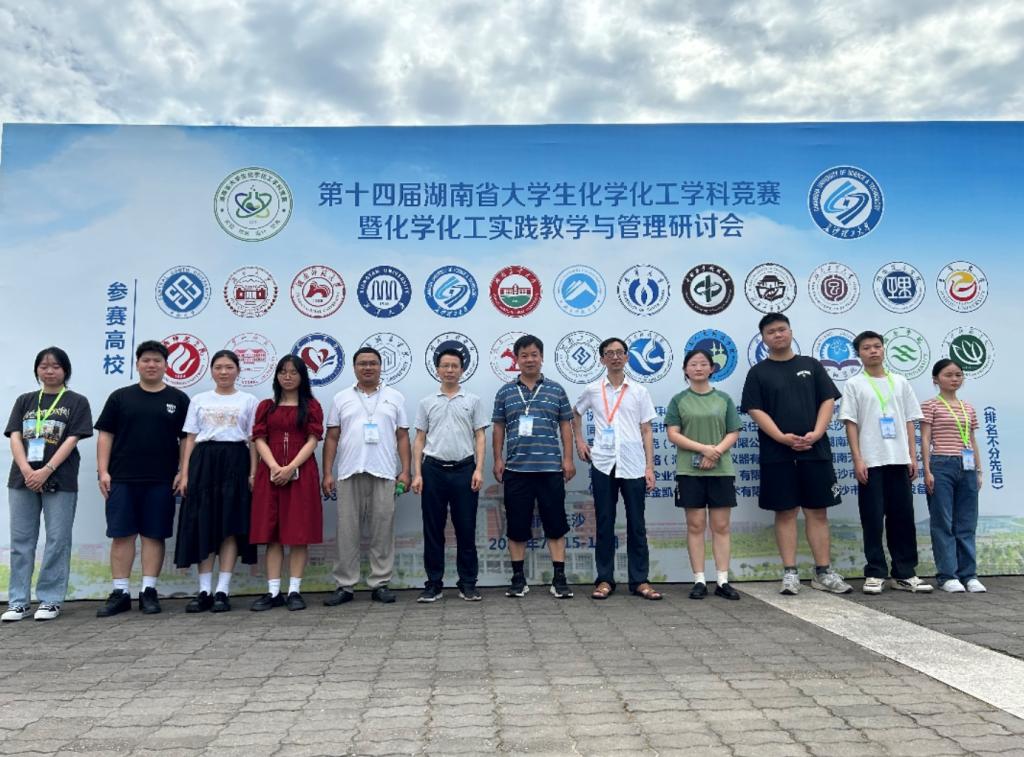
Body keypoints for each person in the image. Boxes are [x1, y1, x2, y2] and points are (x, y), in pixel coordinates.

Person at [740, 313, 852, 595]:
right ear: (763, 339)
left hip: (815, 450)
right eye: (771, 332)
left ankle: (823, 572)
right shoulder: (758, 373)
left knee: (818, 511)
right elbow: (755, 409)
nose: (777, 335)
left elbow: (827, 400)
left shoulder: (811, 365)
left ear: (790, 332)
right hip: (777, 453)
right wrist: (780, 437)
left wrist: (817, 432)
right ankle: (790, 573)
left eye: (782, 329)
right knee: (785, 511)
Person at [94, 340, 189, 616]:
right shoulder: (120, 397)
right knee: (122, 535)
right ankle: (120, 592)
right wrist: (103, 471)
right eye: (146, 360)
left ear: (166, 365)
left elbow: (186, 439)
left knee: (153, 535)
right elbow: (106, 435)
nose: (151, 365)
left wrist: (183, 471)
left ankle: (149, 591)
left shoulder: (178, 399)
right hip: (122, 478)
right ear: (137, 364)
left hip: (162, 480)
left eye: (157, 360)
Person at [2, 348, 93, 622]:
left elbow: (72, 439)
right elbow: (15, 436)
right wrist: (27, 470)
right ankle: (18, 602)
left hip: (60, 478)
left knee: (57, 540)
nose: (49, 371)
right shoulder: (25, 400)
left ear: (65, 370)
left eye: (55, 366)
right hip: (22, 478)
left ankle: (50, 599)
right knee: (21, 542)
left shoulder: (76, 401)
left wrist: (46, 470)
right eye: (44, 366)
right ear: (37, 370)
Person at [840, 331, 931, 594]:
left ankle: (904, 573)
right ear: (859, 354)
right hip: (871, 461)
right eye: (866, 347)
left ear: (883, 349)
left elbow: (910, 420)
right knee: (872, 519)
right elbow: (850, 423)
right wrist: (858, 459)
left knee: (902, 518)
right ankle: (875, 572)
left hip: (899, 460)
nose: (873, 351)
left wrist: (912, 456)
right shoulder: (854, 384)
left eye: (877, 346)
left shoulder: (900, 382)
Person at [572, 337, 660, 601]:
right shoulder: (592, 390)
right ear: (602, 359)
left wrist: (649, 466)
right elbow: (575, 413)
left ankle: (640, 580)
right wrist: (579, 441)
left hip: (633, 465)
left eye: (620, 352)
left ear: (627, 357)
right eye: (609, 353)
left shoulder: (639, 391)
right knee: (604, 522)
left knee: (637, 524)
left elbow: (647, 430)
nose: (615, 357)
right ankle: (604, 579)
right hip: (603, 462)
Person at [322, 347, 411, 605]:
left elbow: (402, 436)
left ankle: (380, 583)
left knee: (382, 531)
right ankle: (345, 585)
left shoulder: (395, 397)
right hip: (349, 472)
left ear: (381, 366)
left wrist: (406, 471)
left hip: (384, 471)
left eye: (373, 363)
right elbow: (332, 437)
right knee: (346, 532)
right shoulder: (341, 398)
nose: (368, 367)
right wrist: (327, 472)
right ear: (354, 368)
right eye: (362, 363)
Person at [174, 350, 259, 613]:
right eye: (219, 367)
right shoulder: (199, 399)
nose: (224, 372)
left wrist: (253, 473)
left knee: (229, 525)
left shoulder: (249, 400)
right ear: (211, 371)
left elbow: (253, 440)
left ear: (238, 371)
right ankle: (204, 591)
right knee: (204, 524)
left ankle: (223, 590)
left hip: (236, 460)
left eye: (229, 367)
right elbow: (190, 438)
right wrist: (184, 473)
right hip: (203, 462)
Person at [492, 334, 576, 599]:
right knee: (517, 527)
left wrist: (568, 459)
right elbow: (498, 427)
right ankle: (518, 579)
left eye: (534, 355)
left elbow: (566, 426)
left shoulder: (556, 390)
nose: (530, 359)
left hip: (550, 469)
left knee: (556, 525)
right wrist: (497, 459)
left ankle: (559, 579)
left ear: (541, 357)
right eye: (524, 355)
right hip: (517, 470)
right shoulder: (505, 392)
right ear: (516, 360)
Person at [411, 348, 489, 602]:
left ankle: (468, 583)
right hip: (432, 470)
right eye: (445, 366)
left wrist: (478, 469)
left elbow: (480, 436)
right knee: (433, 530)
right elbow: (419, 438)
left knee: (466, 529)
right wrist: (417, 473)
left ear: (462, 370)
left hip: (464, 470)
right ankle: (433, 584)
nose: (450, 370)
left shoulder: (473, 401)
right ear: (437, 369)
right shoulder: (426, 402)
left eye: (455, 366)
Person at [665, 349, 742, 601]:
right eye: (693, 364)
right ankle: (699, 579)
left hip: (721, 470)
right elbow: (673, 434)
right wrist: (704, 449)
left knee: (721, 526)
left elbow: (733, 431)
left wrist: (715, 452)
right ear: (685, 370)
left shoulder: (723, 399)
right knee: (696, 525)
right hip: (690, 471)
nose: (698, 368)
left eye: (703, 364)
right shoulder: (679, 400)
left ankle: (722, 580)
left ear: (712, 369)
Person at [249, 355, 324, 611]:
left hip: (302, 472)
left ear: (302, 376)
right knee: (272, 534)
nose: (288, 377)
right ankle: (273, 592)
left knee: (298, 533)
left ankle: (294, 590)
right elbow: (259, 438)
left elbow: (313, 439)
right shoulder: (266, 406)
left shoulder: (311, 406)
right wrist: (273, 466)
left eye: (293, 372)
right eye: (283, 372)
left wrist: (291, 467)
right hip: (270, 474)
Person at [921, 359, 986, 594]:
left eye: (958, 375)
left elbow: (972, 440)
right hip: (941, 464)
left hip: (967, 467)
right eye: (948, 375)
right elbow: (925, 438)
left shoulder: (968, 407)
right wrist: (927, 470)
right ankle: (948, 575)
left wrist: (978, 470)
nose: (954, 379)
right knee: (943, 522)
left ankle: (969, 575)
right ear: (936, 379)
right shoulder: (930, 405)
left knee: (967, 523)